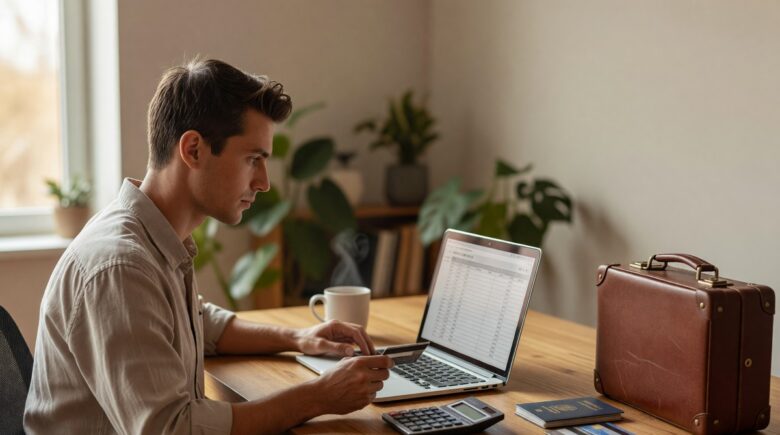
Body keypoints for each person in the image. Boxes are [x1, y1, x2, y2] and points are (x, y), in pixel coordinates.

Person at [24, 58, 393, 434]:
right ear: (194, 150)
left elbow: (202, 322)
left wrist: (300, 337)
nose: (264, 182)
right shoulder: (121, 266)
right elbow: (172, 429)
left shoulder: (152, 238)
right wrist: (318, 396)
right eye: (253, 160)